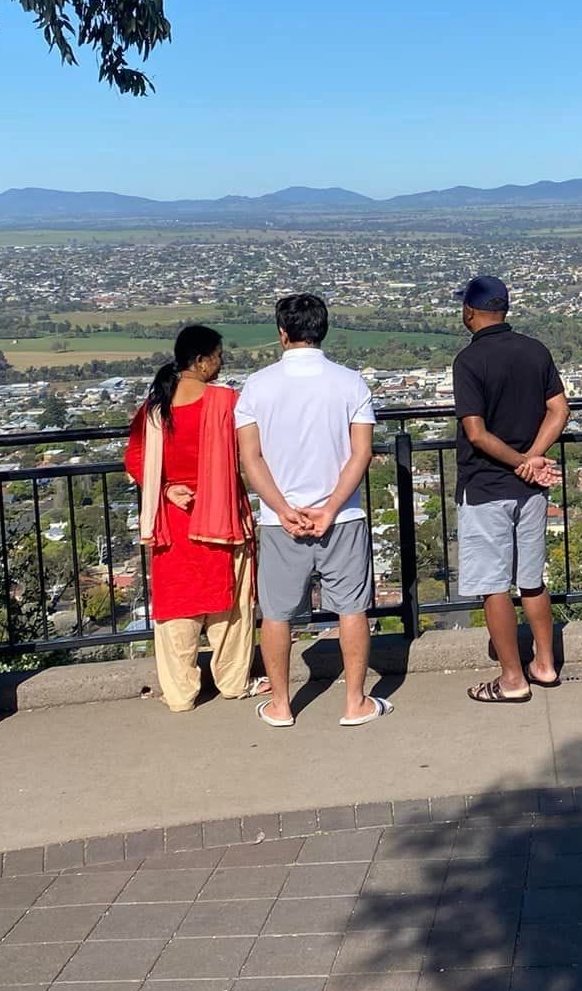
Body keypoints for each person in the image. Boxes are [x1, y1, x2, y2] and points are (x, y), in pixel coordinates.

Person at [235, 294, 391, 727]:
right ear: (322, 330)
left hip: (279, 521)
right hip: (342, 517)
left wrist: (283, 509)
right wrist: (330, 507)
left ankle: (282, 704)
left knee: (279, 613)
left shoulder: (256, 386)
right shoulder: (350, 383)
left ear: (282, 332)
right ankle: (356, 701)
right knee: (352, 608)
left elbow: (252, 459)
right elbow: (360, 455)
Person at [124, 325, 260, 714]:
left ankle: (180, 692)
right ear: (200, 362)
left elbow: (134, 458)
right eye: (217, 356)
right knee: (230, 604)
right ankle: (234, 681)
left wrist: (166, 489)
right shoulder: (226, 402)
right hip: (221, 513)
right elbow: (252, 450)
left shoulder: (154, 409)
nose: (221, 363)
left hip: (172, 519)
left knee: (177, 606)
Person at [453, 276, 570, 704]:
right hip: (530, 491)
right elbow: (560, 410)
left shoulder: (469, 361)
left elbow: (477, 433)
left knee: (494, 585)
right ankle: (545, 663)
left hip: (485, 487)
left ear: (469, 312)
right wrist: (533, 458)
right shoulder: (534, 350)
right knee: (532, 581)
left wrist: (523, 463)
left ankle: (511, 679)